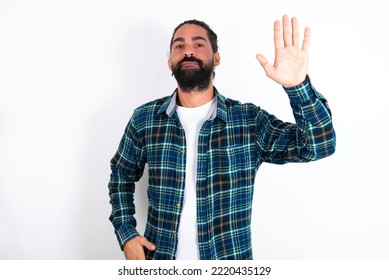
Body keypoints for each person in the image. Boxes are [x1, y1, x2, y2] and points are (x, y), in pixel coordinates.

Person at [108, 15, 336, 260]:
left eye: (198, 44)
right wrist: (127, 234)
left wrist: (297, 86)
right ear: (170, 61)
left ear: (216, 58)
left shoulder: (248, 121)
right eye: (179, 46)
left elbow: (319, 145)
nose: (188, 52)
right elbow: (121, 174)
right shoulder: (145, 119)